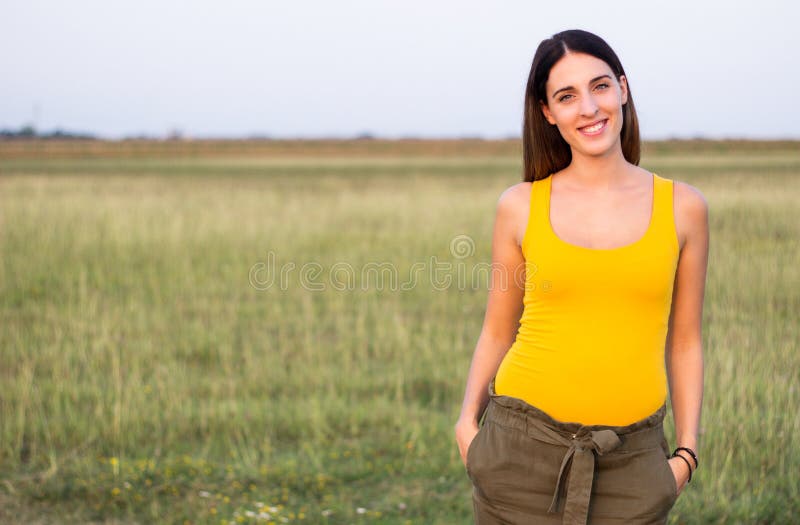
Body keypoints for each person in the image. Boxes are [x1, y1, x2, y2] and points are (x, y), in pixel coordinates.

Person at [454, 29, 708, 525]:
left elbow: (686, 342)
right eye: (566, 96)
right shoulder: (520, 206)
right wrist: (467, 425)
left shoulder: (683, 207)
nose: (589, 108)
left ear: (623, 89)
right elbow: (498, 329)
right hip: (517, 454)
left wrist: (686, 456)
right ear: (548, 112)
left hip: (632, 465)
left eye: (600, 87)